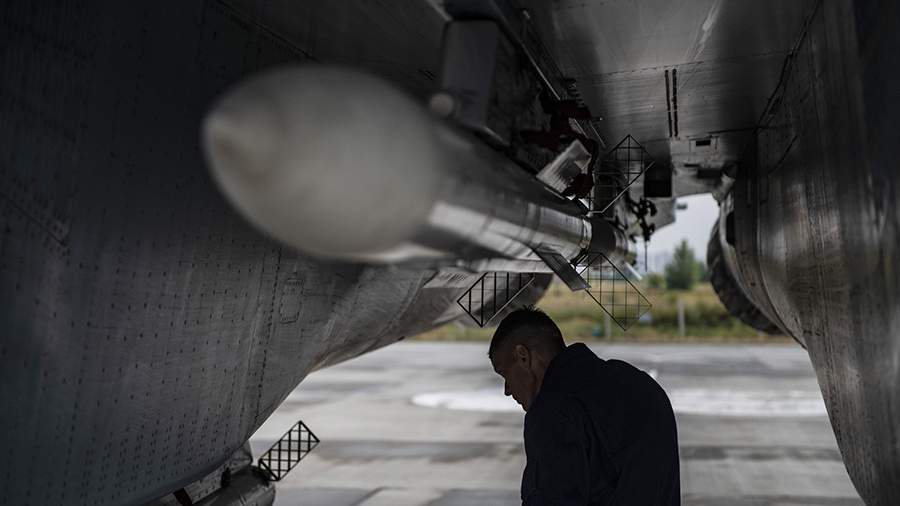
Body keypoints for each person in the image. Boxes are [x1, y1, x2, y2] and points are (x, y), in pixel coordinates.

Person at [489, 307, 680, 505]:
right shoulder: (639, 384)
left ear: (523, 356)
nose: (507, 389)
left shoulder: (552, 412)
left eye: (504, 373)